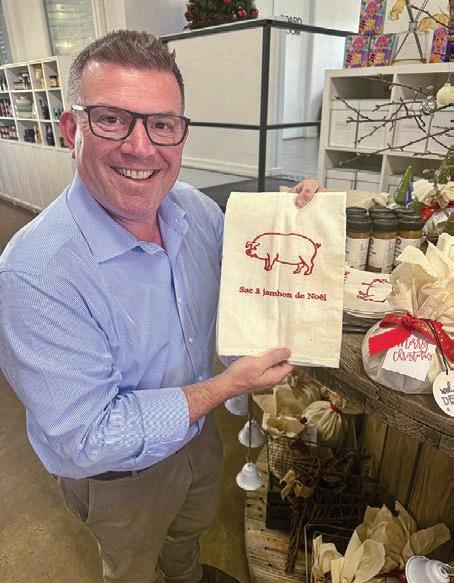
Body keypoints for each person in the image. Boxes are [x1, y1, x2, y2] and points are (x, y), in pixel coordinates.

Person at [0, 30, 322, 583]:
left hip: (196, 435)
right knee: (131, 564)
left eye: (162, 125)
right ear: (72, 130)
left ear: (181, 134)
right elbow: (87, 436)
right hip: (117, 478)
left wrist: (299, 219)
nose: (141, 147)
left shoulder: (194, 210)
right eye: (111, 119)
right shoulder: (36, 274)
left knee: (188, 531)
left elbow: (251, 276)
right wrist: (225, 388)